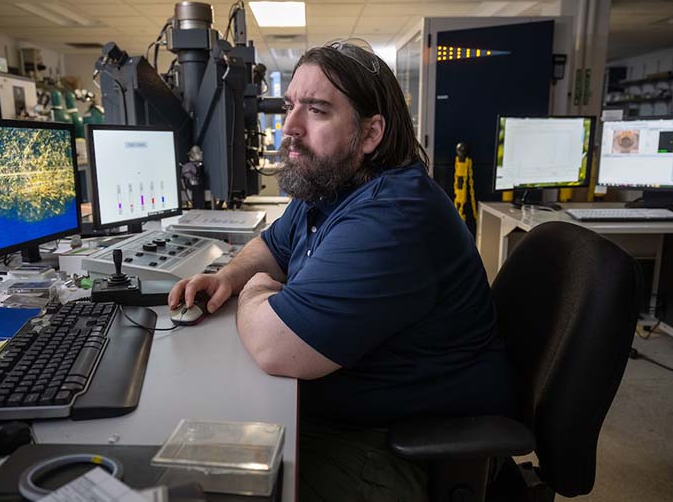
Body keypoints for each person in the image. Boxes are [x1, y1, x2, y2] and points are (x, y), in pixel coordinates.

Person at [168, 40, 511, 501]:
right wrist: (230, 277)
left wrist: (255, 291)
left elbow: (275, 347)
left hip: (390, 448)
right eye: (291, 106)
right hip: (341, 412)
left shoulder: (394, 215)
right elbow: (271, 245)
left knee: (204, 488)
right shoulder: (330, 184)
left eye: (317, 110)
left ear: (370, 134)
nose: (289, 127)